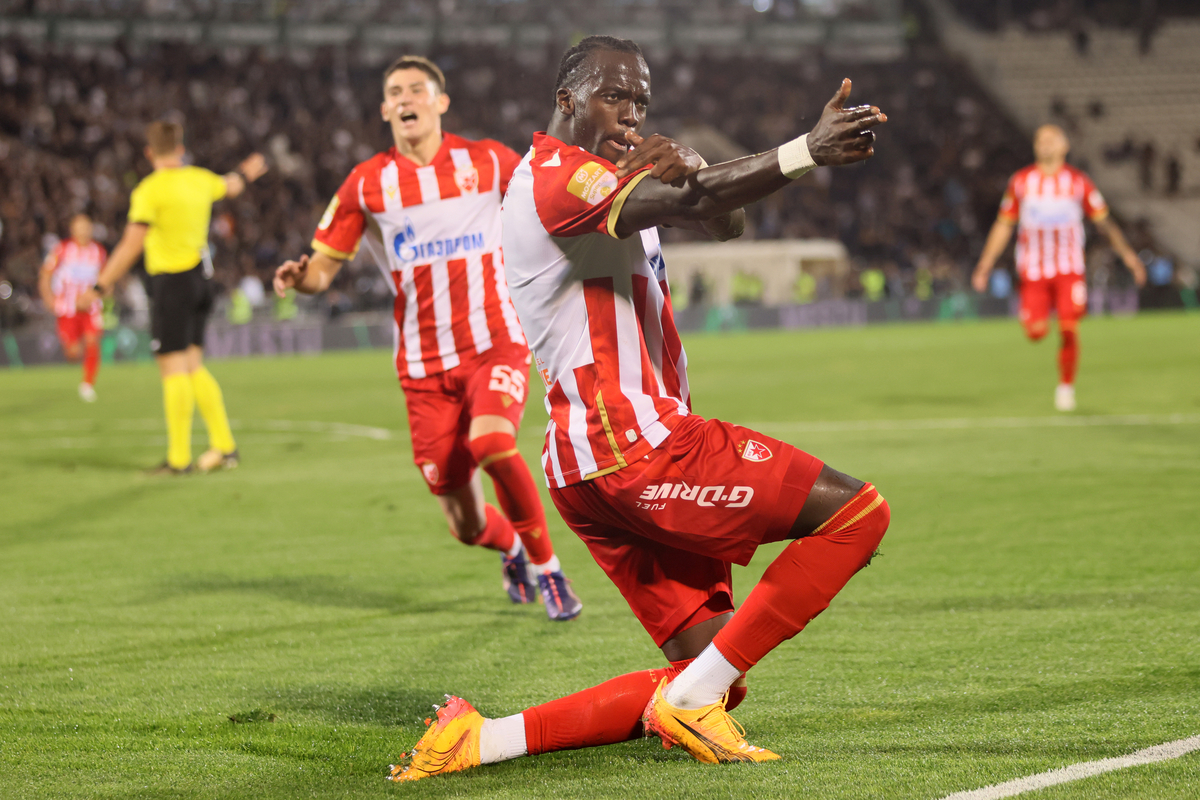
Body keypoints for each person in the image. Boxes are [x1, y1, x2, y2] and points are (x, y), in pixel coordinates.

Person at [388, 35, 890, 780]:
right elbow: (704, 202)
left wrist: (691, 169)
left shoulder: (602, 178)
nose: (631, 112)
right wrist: (803, 152)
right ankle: (689, 701)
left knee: (714, 672)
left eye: (642, 101)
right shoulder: (555, 179)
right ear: (566, 100)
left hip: (590, 464)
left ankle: (478, 740)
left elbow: (722, 219)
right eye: (614, 95)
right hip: (636, 444)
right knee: (859, 515)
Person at [273, 56, 582, 621]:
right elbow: (323, 267)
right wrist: (303, 280)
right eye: (395, 91)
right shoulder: (368, 183)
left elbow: (546, 199)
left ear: (440, 103)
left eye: (418, 88)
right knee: (464, 524)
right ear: (385, 109)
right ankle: (510, 547)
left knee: (493, 442)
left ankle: (549, 570)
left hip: (495, 344)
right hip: (423, 367)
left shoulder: (487, 161)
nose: (406, 97)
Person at [77, 120, 266, 473]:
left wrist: (100, 287)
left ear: (149, 153)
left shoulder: (149, 190)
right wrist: (246, 170)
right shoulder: (200, 179)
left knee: (172, 370)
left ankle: (178, 459)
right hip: (201, 280)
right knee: (193, 365)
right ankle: (224, 446)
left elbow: (132, 244)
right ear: (180, 148)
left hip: (171, 284)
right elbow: (232, 185)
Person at [972, 124, 1146, 412]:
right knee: (1036, 333)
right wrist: (985, 264)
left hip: (1069, 269)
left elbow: (1104, 224)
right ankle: (1036, 318)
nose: (1045, 143)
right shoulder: (1021, 182)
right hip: (1033, 270)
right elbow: (1004, 225)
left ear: (1065, 146)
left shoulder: (1079, 182)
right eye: (1041, 139)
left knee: (1069, 328)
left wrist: (1129, 256)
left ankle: (1066, 388)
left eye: (1052, 139)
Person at [39, 213, 106, 401]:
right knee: (73, 352)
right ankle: (79, 357)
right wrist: (48, 299)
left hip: (91, 308)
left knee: (93, 342)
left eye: (86, 226)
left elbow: (105, 278)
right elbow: (45, 274)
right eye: (80, 226)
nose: (84, 230)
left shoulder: (98, 251)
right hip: (67, 308)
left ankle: (87, 384)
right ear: (72, 229)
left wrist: (98, 295)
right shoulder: (62, 249)